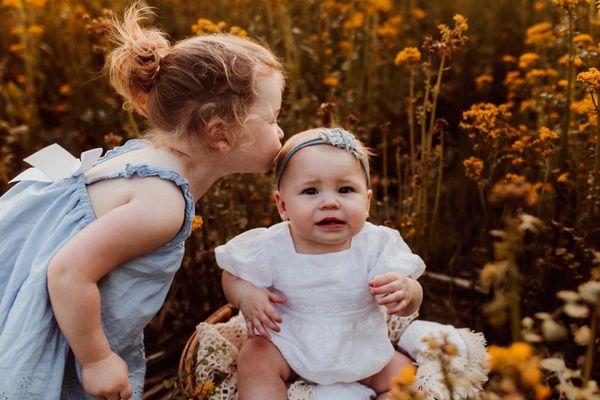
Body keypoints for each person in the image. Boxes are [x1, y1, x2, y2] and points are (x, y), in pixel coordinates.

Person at [0, 3, 285, 399]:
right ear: (221, 134)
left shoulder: (143, 158)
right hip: (62, 318)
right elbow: (67, 273)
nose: (281, 129)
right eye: (272, 118)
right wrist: (97, 360)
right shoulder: (162, 204)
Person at [216, 127, 426, 400]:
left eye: (346, 189)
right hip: (289, 347)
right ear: (283, 206)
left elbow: (412, 299)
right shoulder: (270, 246)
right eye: (311, 190)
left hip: (361, 347)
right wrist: (246, 295)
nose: (330, 202)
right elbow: (231, 274)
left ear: (367, 202)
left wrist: (408, 291)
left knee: (405, 374)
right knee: (255, 358)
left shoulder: (377, 244)